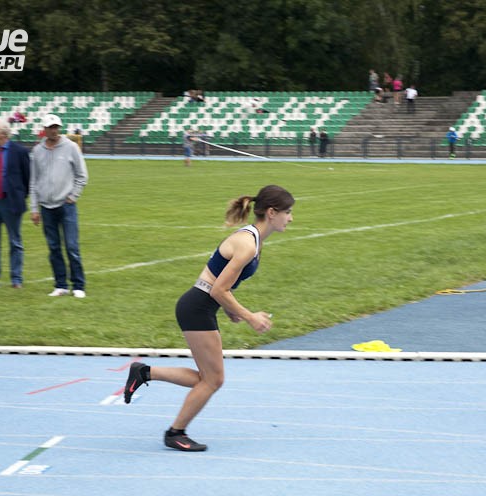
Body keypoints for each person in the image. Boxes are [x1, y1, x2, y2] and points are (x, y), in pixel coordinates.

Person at [123, 185, 296, 451]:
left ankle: (145, 372)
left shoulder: (253, 240)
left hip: (200, 305)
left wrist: (230, 309)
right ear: (272, 213)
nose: (291, 218)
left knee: (208, 379)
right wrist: (249, 316)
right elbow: (217, 289)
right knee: (213, 380)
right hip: (197, 307)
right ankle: (175, 432)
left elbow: (218, 281)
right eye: (288, 212)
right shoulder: (248, 244)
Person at [30, 114, 89, 298]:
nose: (54, 130)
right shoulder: (37, 151)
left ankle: (78, 285)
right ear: (45, 130)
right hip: (46, 207)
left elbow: (82, 175)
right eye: (50, 127)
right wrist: (34, 208)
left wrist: (73, 196)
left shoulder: (71, 147)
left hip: (66, 205)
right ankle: (61, 284)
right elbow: (33, 181)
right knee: (53, 247)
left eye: (56, 127)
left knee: (72, 246)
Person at [0, 117, 31, 288]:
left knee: (15, 241)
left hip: (11, 201)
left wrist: (19, 196)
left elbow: (27, 178)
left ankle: (16, 278)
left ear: (3, 133)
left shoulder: (20, 152)